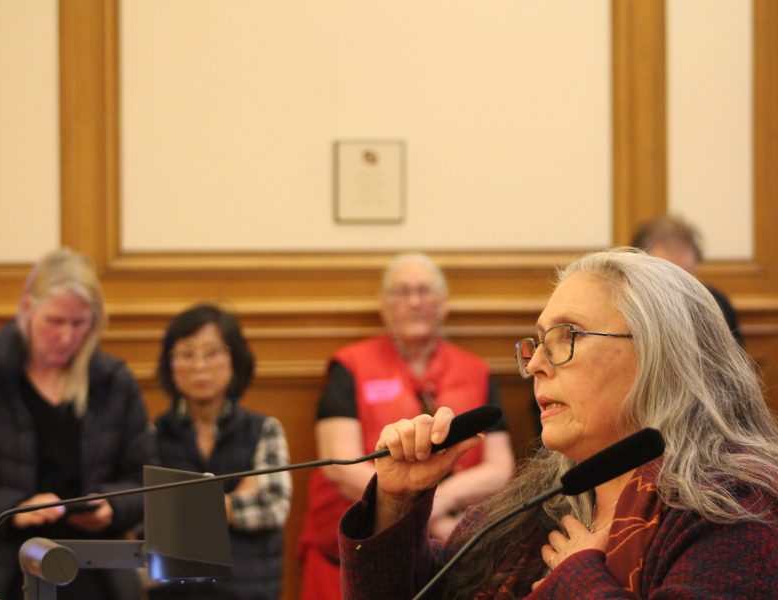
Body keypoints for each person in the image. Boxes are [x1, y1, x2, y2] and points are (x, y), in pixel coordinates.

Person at [339, 248, 778, 598]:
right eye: (538, 342)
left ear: (662, 354)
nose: (536, 367)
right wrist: (395, 503)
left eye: (568, 336)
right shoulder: (534, 501)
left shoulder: (735, 509)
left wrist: (578, 580)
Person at [299, 252, 515, 599]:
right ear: (385, 306)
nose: (415, 302)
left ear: (443, 304)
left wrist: (437, 502)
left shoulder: (476, 370)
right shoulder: (351, 366)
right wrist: (413, 511)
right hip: (351, 555)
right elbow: (339, 466)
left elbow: (501, 468)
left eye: (425, 291)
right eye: (402, 293)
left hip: (455, 551)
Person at [0, 249, 152, 600]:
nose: (67, 336)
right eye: (55, 321)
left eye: (79, 323)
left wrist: (110, 506)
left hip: (96, 567)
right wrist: (16, 509)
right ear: (28, 307)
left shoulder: (113, 383)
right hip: (5, 567)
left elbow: (146, 480)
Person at [150, 303, 292, 600]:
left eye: (212, 352)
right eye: (187, 354)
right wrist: (233, 500)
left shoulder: (264, 429)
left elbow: (273, 506)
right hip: (174, 593)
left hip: (250, 589)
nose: (200, 365)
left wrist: (183, 507)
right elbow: (147, 517)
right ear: (170, 365)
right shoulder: (153, 434)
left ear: (234, 359)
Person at [632, 214, 742, 344]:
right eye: (666, 275)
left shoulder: (714, 304)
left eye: (686, 275)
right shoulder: (628, 306)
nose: (677, 286)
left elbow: (731, 362)